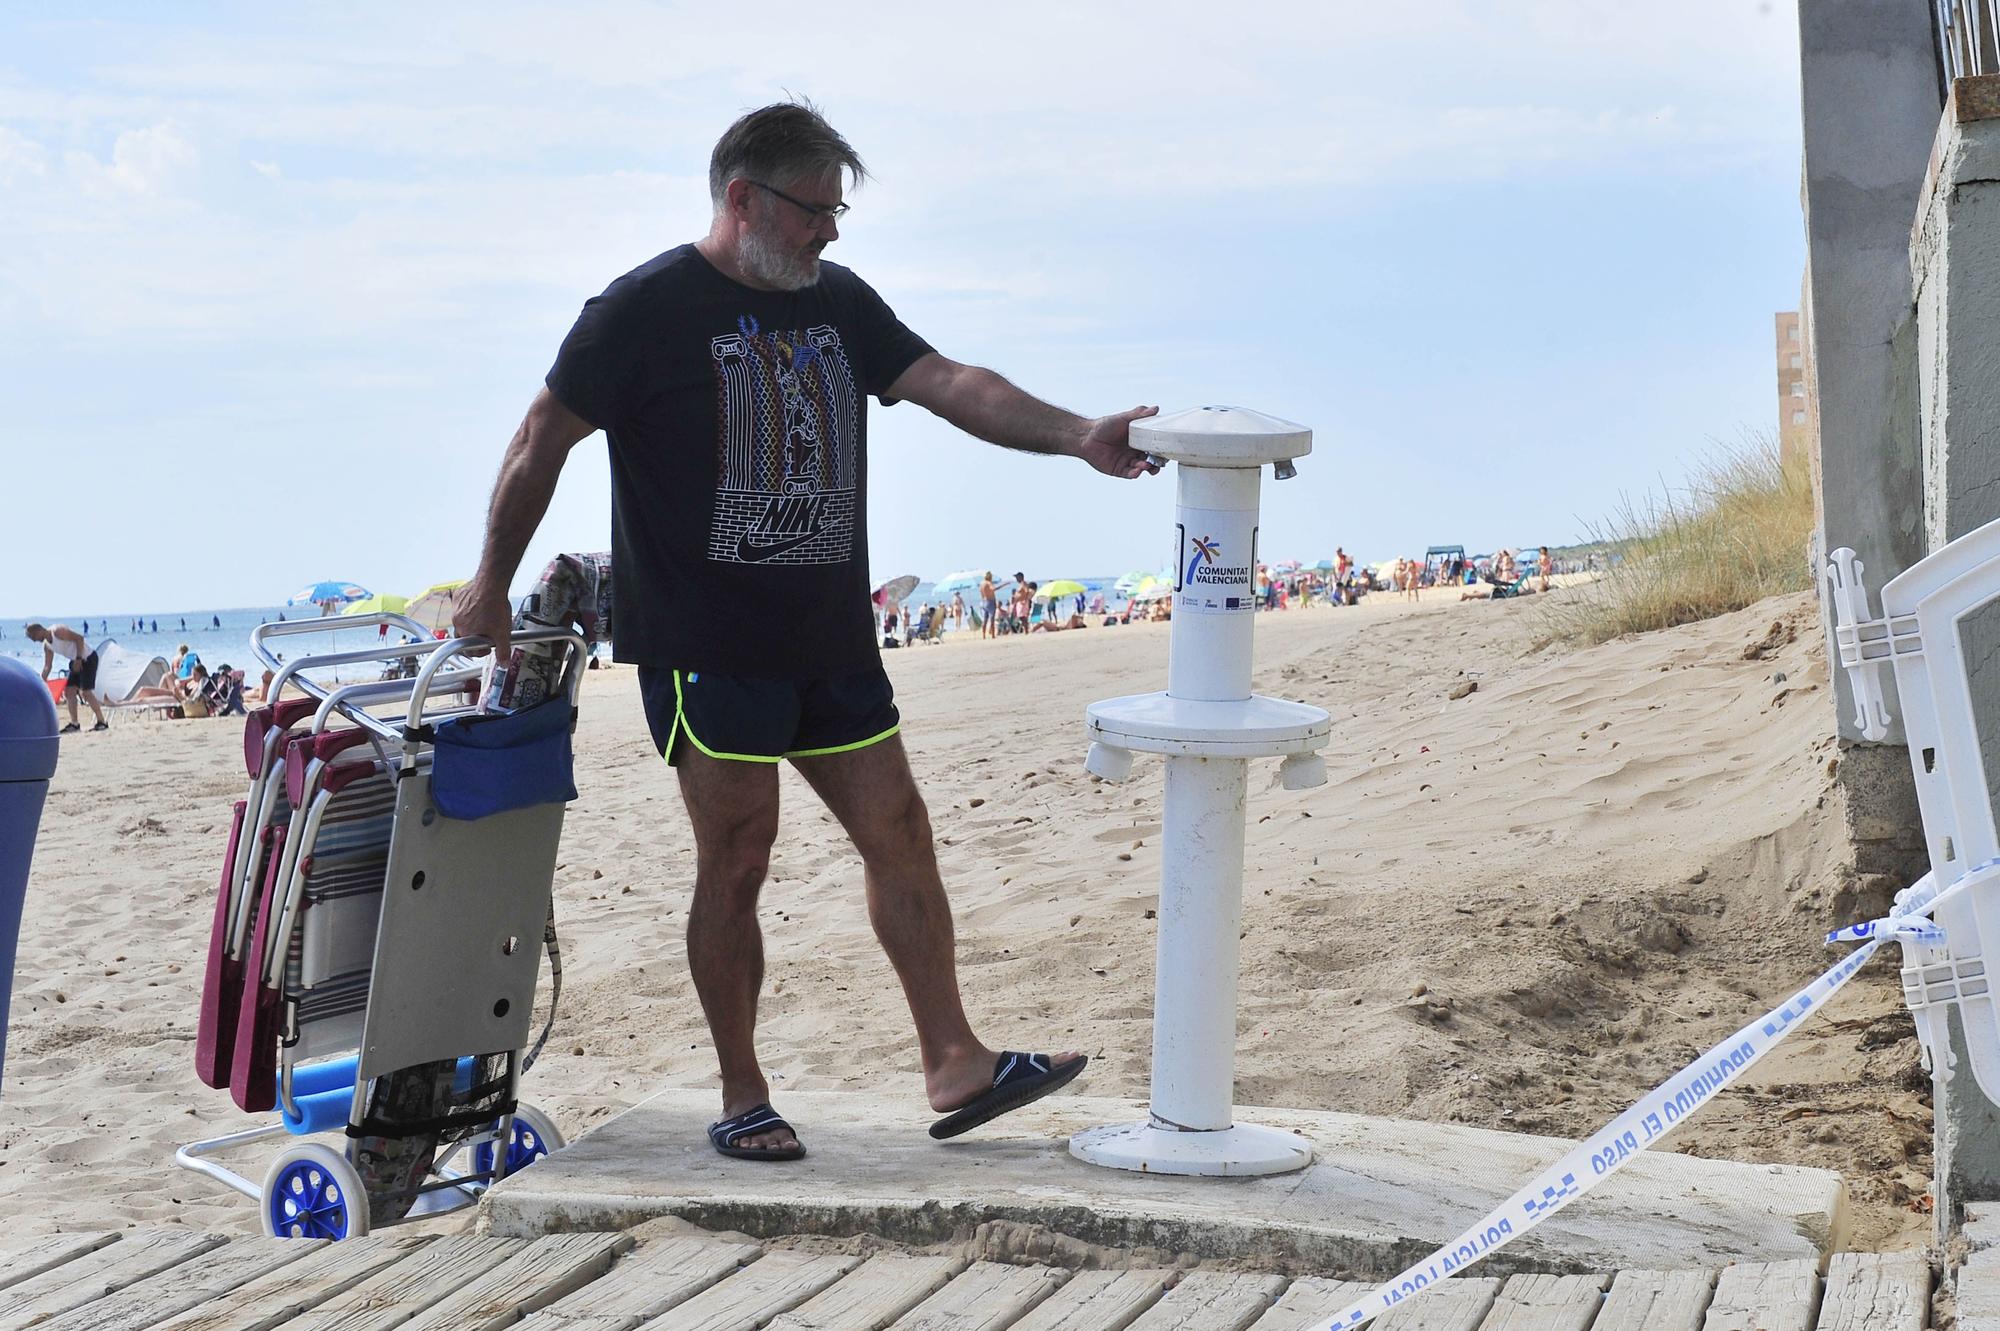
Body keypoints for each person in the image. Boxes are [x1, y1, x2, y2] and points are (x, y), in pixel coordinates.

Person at [453, 101, 1157, 1161]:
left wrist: (1075, 436)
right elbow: (536, 442)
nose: (831, 231)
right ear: (743, 197)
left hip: (828, 637)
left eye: (837, 211)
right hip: (706, 641)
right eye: (816, 210)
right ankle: (741, 1090)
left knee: (901, 831)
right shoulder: (640, 309)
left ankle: (953, 1059)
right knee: (738, 857)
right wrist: (487, 585)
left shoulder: (835, 300)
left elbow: (948, 382)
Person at [26, 623, 108, 732]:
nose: (34, 640)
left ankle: (102, 722)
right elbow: (48, 666)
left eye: (33, 637)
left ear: (39, 630)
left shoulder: (57, 631)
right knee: (69, 691)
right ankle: (75, 724)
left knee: (86, 692)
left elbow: (79, 638)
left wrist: (78, 659)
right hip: (75, 661)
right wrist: (41, 681)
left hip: (88, 658)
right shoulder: (47, 646)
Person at [978, 572, 997, 640]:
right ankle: (993, 635)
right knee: (992, 619)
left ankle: (983, 635)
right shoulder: (989, 583)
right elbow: (993, 589)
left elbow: (981, 593)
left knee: (985, 620)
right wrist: (1003, 585)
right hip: (990, 601)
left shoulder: (981, 584)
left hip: (983, 602)